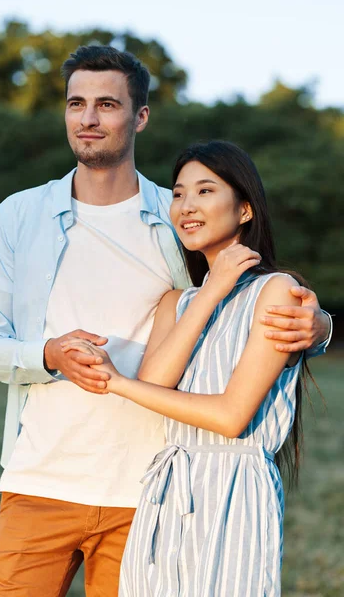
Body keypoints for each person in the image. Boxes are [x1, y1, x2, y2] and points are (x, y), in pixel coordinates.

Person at [0, 46, 331, 597]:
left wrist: (319, 325)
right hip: (38, 477)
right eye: (76, 103)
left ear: (139, 117)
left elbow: (242, 298)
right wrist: (47, 355)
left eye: (107, 103)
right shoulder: (19, 216)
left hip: (147, 492)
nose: (88, 118)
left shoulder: (177, 216)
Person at [61, 140, 325, 596]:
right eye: (179, 193)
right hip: (165, 495)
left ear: (244, 210)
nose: (186, 206)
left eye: (205, 191)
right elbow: (155, 381)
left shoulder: (276, 291)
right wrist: (209, 292)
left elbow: (230, 416)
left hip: (234, 492)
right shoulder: (176, 302)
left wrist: (117, 383)